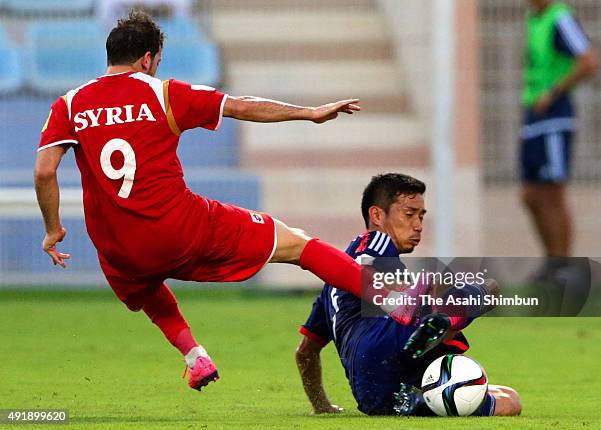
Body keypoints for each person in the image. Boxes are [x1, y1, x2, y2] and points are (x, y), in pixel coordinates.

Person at [33, 10, 387, 392]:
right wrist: (309, 113)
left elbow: (44, 171)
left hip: (118, 248)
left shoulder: (69, 105)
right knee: (297, 244)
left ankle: (195, 357)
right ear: (148, 59)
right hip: (180, 229)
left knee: (143, 283)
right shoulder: (164, 93)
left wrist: (53, 229)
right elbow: (241, 104)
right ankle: (399, 306)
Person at [295, 173, 522, 416]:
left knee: (507, 397)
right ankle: (445, 323)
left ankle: (441, 332)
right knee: (488, 287)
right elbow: (390, 284)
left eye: (421, 216)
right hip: (390, 347)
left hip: (372, 393)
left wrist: (322, 407)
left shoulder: (333, 283)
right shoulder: (377, 245)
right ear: (377, 216)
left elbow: (305, 352)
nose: (418, 225)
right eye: (409, 214)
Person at [521, 0, 598, 270]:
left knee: (553, 193)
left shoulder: (560, 17)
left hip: (554, 117)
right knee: (530, 196)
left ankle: (562, 267)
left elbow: (588, 61)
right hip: (533, 116)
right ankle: (552, 262)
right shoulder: (534, 17)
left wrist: (553, 92)